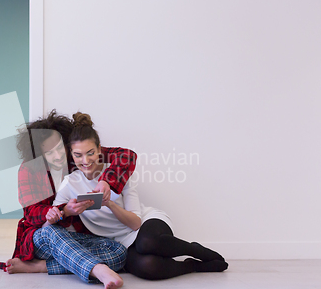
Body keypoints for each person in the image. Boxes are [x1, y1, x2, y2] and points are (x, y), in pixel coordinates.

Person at [48, 112, 228, 280]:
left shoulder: (117, 173)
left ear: (100, 151)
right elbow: (51, 219)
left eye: (90, 153)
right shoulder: (69, 183)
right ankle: (192, 266)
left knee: (147, 243)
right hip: (119, 241)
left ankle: (194, 249)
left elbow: (136, 223)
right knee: (148, 267)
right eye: (78, 155)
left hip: (145, 224)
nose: (85, 161)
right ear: (71, 155)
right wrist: (65, 211)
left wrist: (110, 203)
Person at [2, 110, 138, 289]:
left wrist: (106, 181)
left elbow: (126, 156)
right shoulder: (29, 169)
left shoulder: (76, 157)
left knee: (119, 253)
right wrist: (63, 211)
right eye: (49, 152)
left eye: (60, 148)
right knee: (51, 230)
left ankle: (40, 267)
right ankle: (99, 270)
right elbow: (31, 213)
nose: (58, 156)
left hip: (77, 237)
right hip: (43, 237)